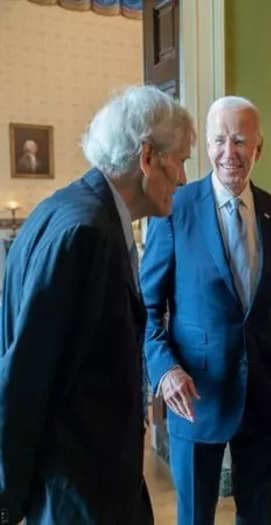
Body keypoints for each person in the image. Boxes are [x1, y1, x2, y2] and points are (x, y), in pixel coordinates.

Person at [0, 85, 194, 524]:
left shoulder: (63, 208)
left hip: (88, 484)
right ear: (147, 157)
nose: (183, 178)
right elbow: (26, 373)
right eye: (180, 160)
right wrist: (9, 496)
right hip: (80, 494)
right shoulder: (88, 233)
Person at [141, 96, 271, 525]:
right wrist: (165, 369)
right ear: (207, 146)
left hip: (263, 396)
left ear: (258, 149)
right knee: (195, 517)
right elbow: (147, 307)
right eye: (219, 141)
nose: (229, 153)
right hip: (195, 396)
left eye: (240, 141)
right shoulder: (174, 207)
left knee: (257, 516)